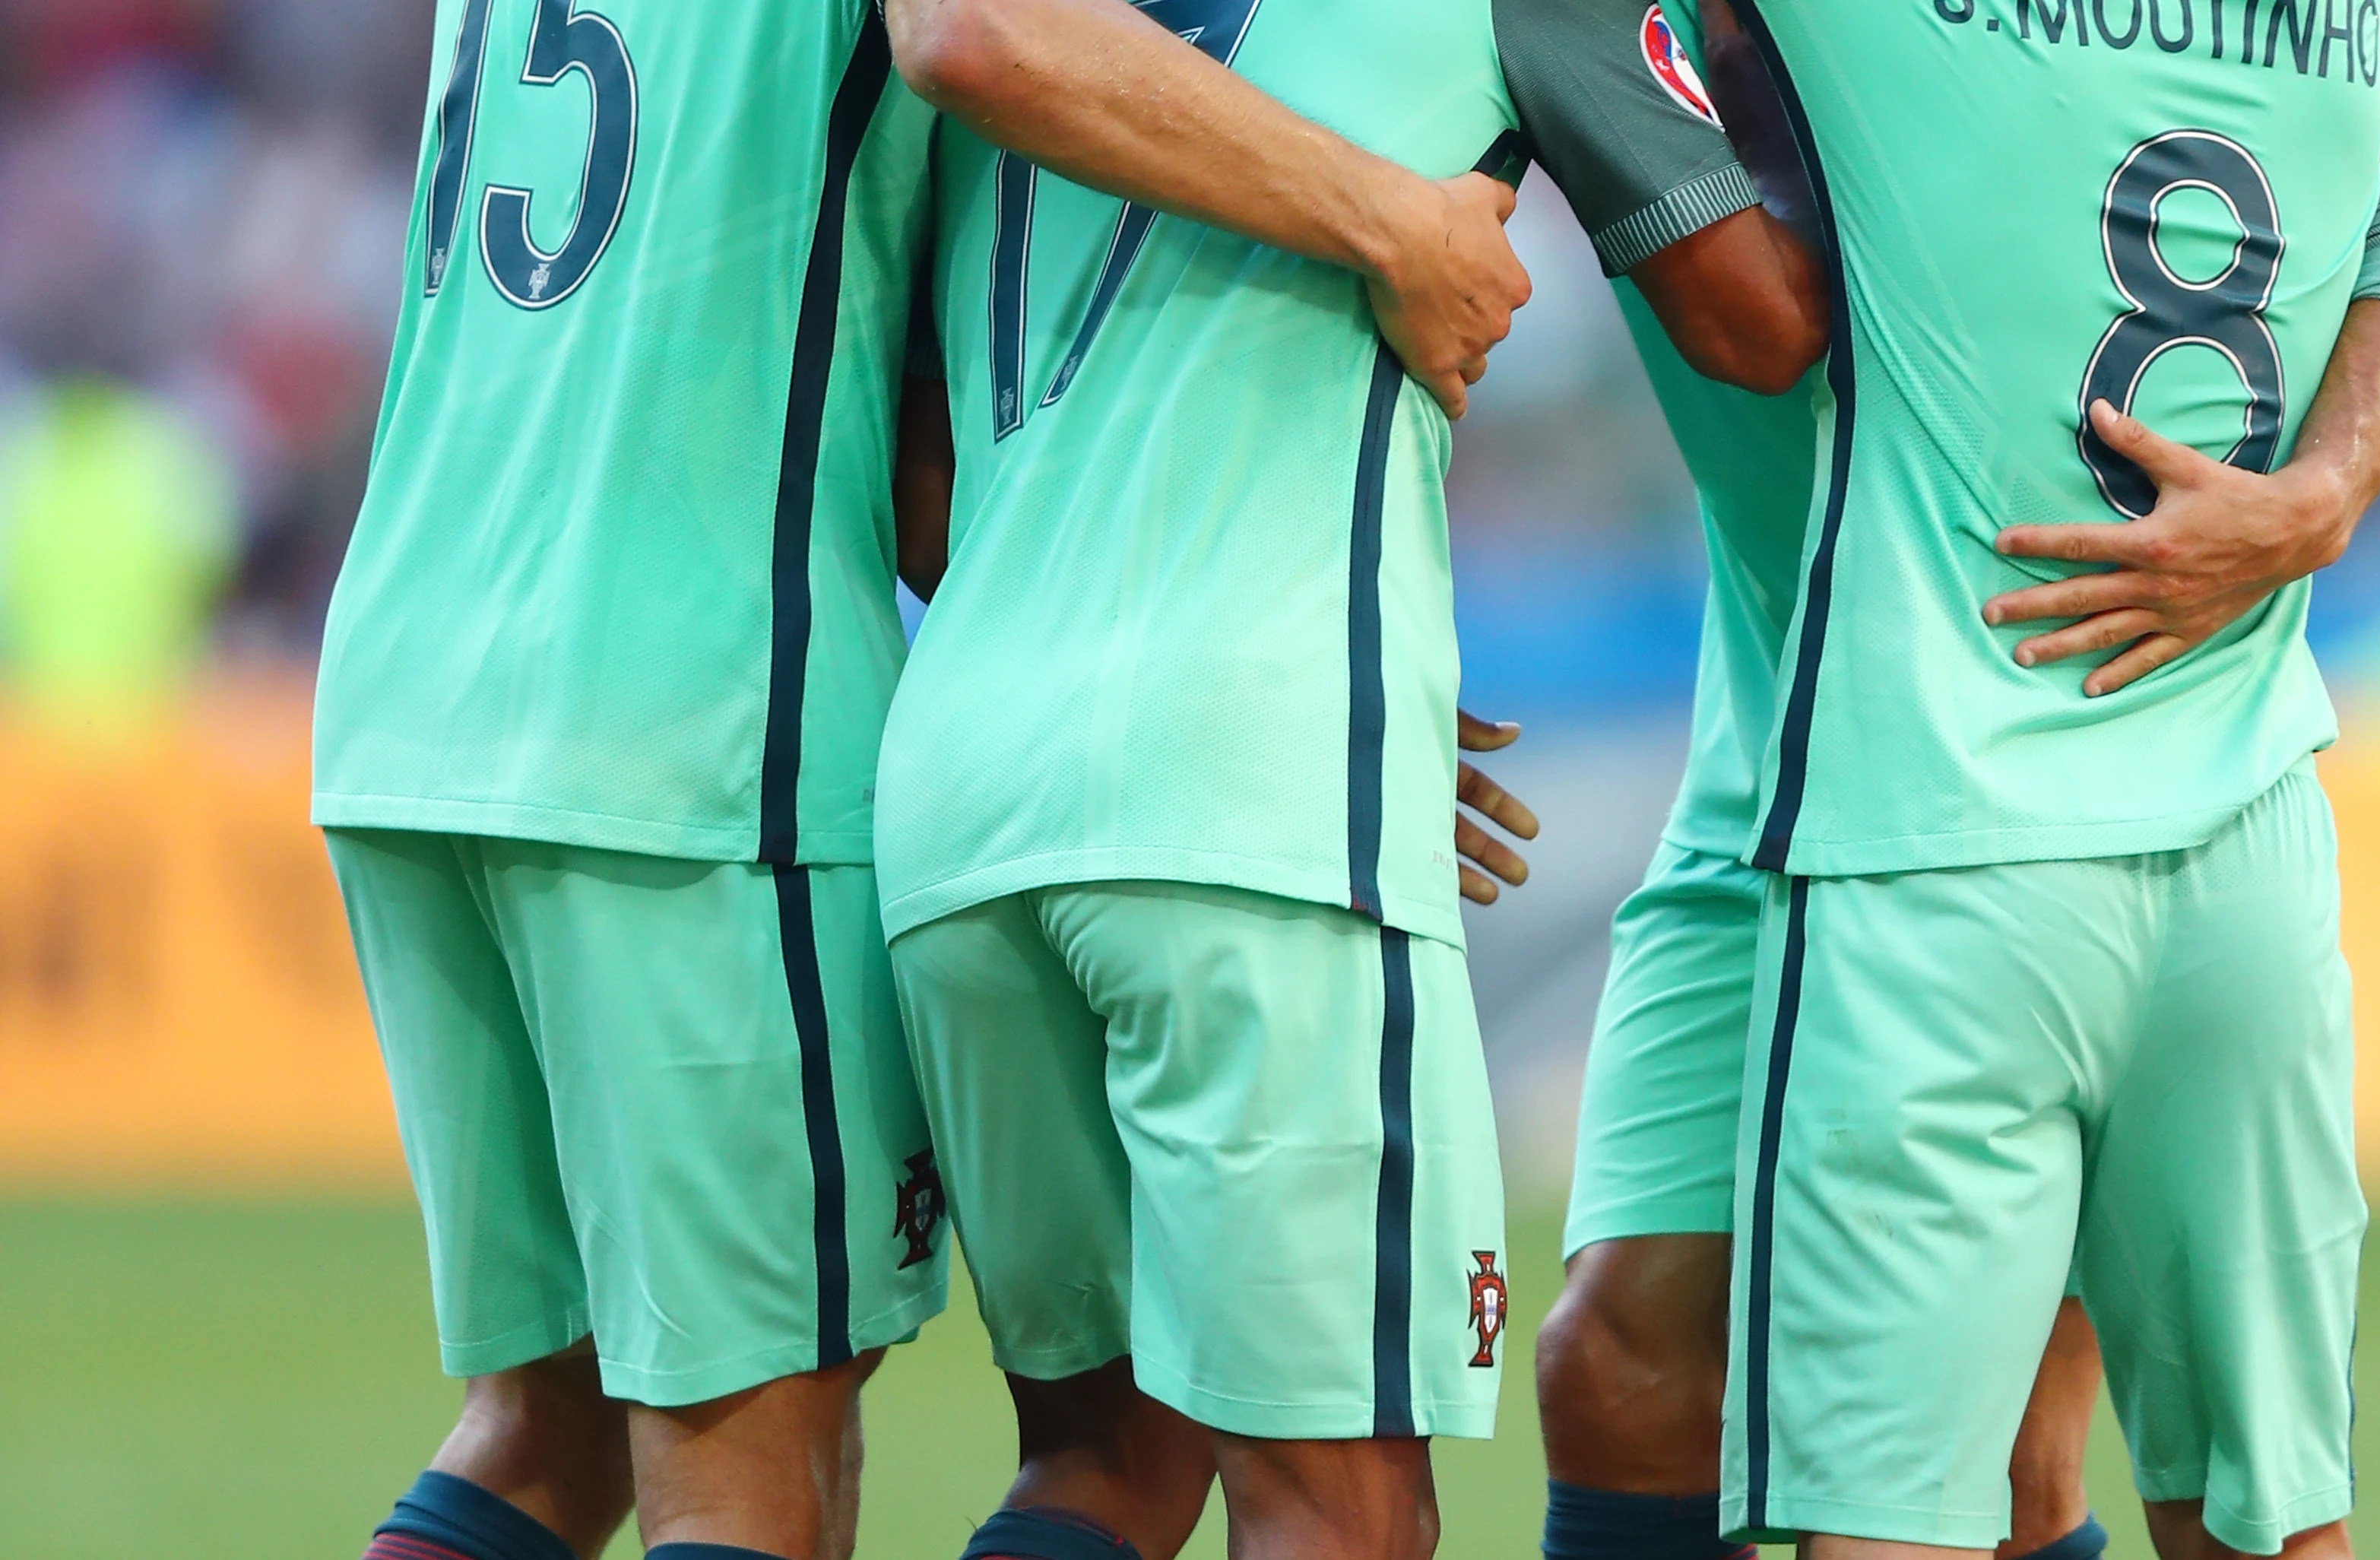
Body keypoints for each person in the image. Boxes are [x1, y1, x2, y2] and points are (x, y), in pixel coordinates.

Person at [312, 1, 1536, 1557]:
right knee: (750, 1454)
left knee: (543, 1422)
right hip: (689, 707)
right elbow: (981, 29)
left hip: (407, 676)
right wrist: (1399, 223)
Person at [869, 1, 1822, 1555]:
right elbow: (1756, 326)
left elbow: (921, 488)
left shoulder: (1059, 31)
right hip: (1253, 793)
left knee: (1101, 1467)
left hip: (966, 791)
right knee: (1344, 1507)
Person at [1530, 8, 2380, 1560]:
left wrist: (2318, 497)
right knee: (1619, 1357)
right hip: (1789, 693)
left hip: (1935, 752)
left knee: (2004, 1448)